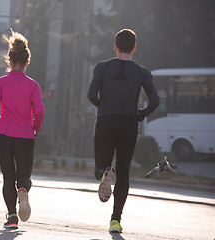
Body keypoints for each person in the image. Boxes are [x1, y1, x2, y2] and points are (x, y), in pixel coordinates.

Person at [87, 29, 160, 233]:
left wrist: (103, 106)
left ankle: (103, 175)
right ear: (134, 48)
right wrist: (141, 114)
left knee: (100, 167)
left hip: (106, 120)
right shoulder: (142, 72)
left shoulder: (101, 67)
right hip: (129, 123)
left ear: (115, 46)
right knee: (124, 173)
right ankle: (115, 221)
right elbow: (155, 101)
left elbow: (91, 94)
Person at [0, 29, 45, 229]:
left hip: (3, 135)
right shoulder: (33, 85)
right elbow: (40, 110)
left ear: (9, 61)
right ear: (27, 62)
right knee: (23, 177)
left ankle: (11, 217)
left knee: (7, 177)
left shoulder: (0, 82)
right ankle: (23, 190)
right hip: (25, 136)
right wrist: (35, 127)